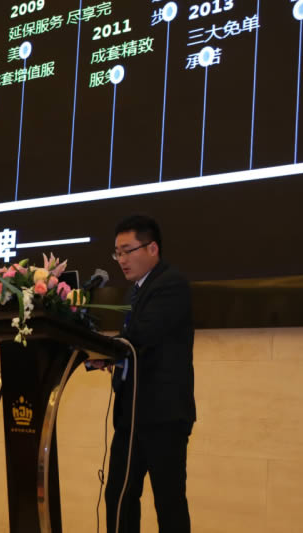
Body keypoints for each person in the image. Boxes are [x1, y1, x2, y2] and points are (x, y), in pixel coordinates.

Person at [104, 214, 196, 533]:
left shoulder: (171, 284)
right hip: (131, 416)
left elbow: (144, 335)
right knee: (119, 496)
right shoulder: (134, 292)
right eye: (117, 253)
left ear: (152, 248)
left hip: (163, 416)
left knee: (168, 503)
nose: (121, 260)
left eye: (127, 251)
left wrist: (106, 348)